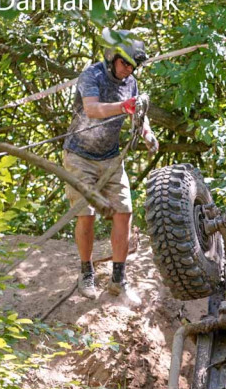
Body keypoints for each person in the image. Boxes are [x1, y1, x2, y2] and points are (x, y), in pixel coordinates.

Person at [64, 30, 159, 306]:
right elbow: (92, 110)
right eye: (125, 63)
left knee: (124, 211)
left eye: (133, 66)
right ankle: (86, 273)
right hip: (79, 156)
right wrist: (123, 107)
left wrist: (147, 134)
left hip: (111, 157)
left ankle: (118, 280)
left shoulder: (131, 83)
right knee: (87, 214)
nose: (128, 69)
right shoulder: (91, 76)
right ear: (112, 57)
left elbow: (138, 114)